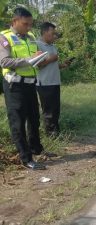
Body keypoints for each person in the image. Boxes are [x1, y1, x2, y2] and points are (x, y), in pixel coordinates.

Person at [0, 7, 48, 170]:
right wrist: (28, 60)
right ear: (14, 21)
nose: (28, 27)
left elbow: (34, 58)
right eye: (25, 24)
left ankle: (36, 149)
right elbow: (4, 61)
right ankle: (26, 158)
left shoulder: (31, 37)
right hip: (15, 86)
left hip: (30, 84)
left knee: (34, 118)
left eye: (30, 24)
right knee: (18, 122)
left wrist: (39, 58)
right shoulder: (5, 38)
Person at [36, 22, 70, 137]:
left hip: (55, 82)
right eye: (52, 33)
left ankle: (56, 132)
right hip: (44, 83)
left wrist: (62, 65)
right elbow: (38, 65)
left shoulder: (53, 46)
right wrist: (52, 59)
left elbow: (52, 64)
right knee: (48, 111)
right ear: (45, 32)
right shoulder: (37, 45)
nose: (55, 36)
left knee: (55, 109)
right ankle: (50, 134)